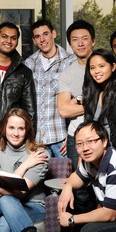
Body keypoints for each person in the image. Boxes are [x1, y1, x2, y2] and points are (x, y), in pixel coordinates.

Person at [24, 19, 75, 158]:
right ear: (34, 40)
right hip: (37, 140)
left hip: (62, 138)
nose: (42, 39)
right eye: (37, 36)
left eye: (45, 34)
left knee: (65, 179)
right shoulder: (28, 64)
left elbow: (78, 101)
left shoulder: (71, 62)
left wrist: (71, 136)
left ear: (54, 33)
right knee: (37, 178)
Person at [0, 21, 36, 129]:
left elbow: (30, 112)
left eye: (13, 38)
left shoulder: (24, 72)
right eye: (4, 36)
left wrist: (29, 139)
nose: (8, 41)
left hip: (11, 135)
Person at [57, 19, 95, 170]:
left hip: (103, 135)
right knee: (80, 189)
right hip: (76, 137)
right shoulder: (67, 74)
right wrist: (94, 102)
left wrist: (78, 102)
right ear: (70, 44)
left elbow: (111, 101)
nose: (80, 43)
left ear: (93, 41)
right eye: (75, 40)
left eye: (85, 39)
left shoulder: (105, 66)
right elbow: (63, 110)